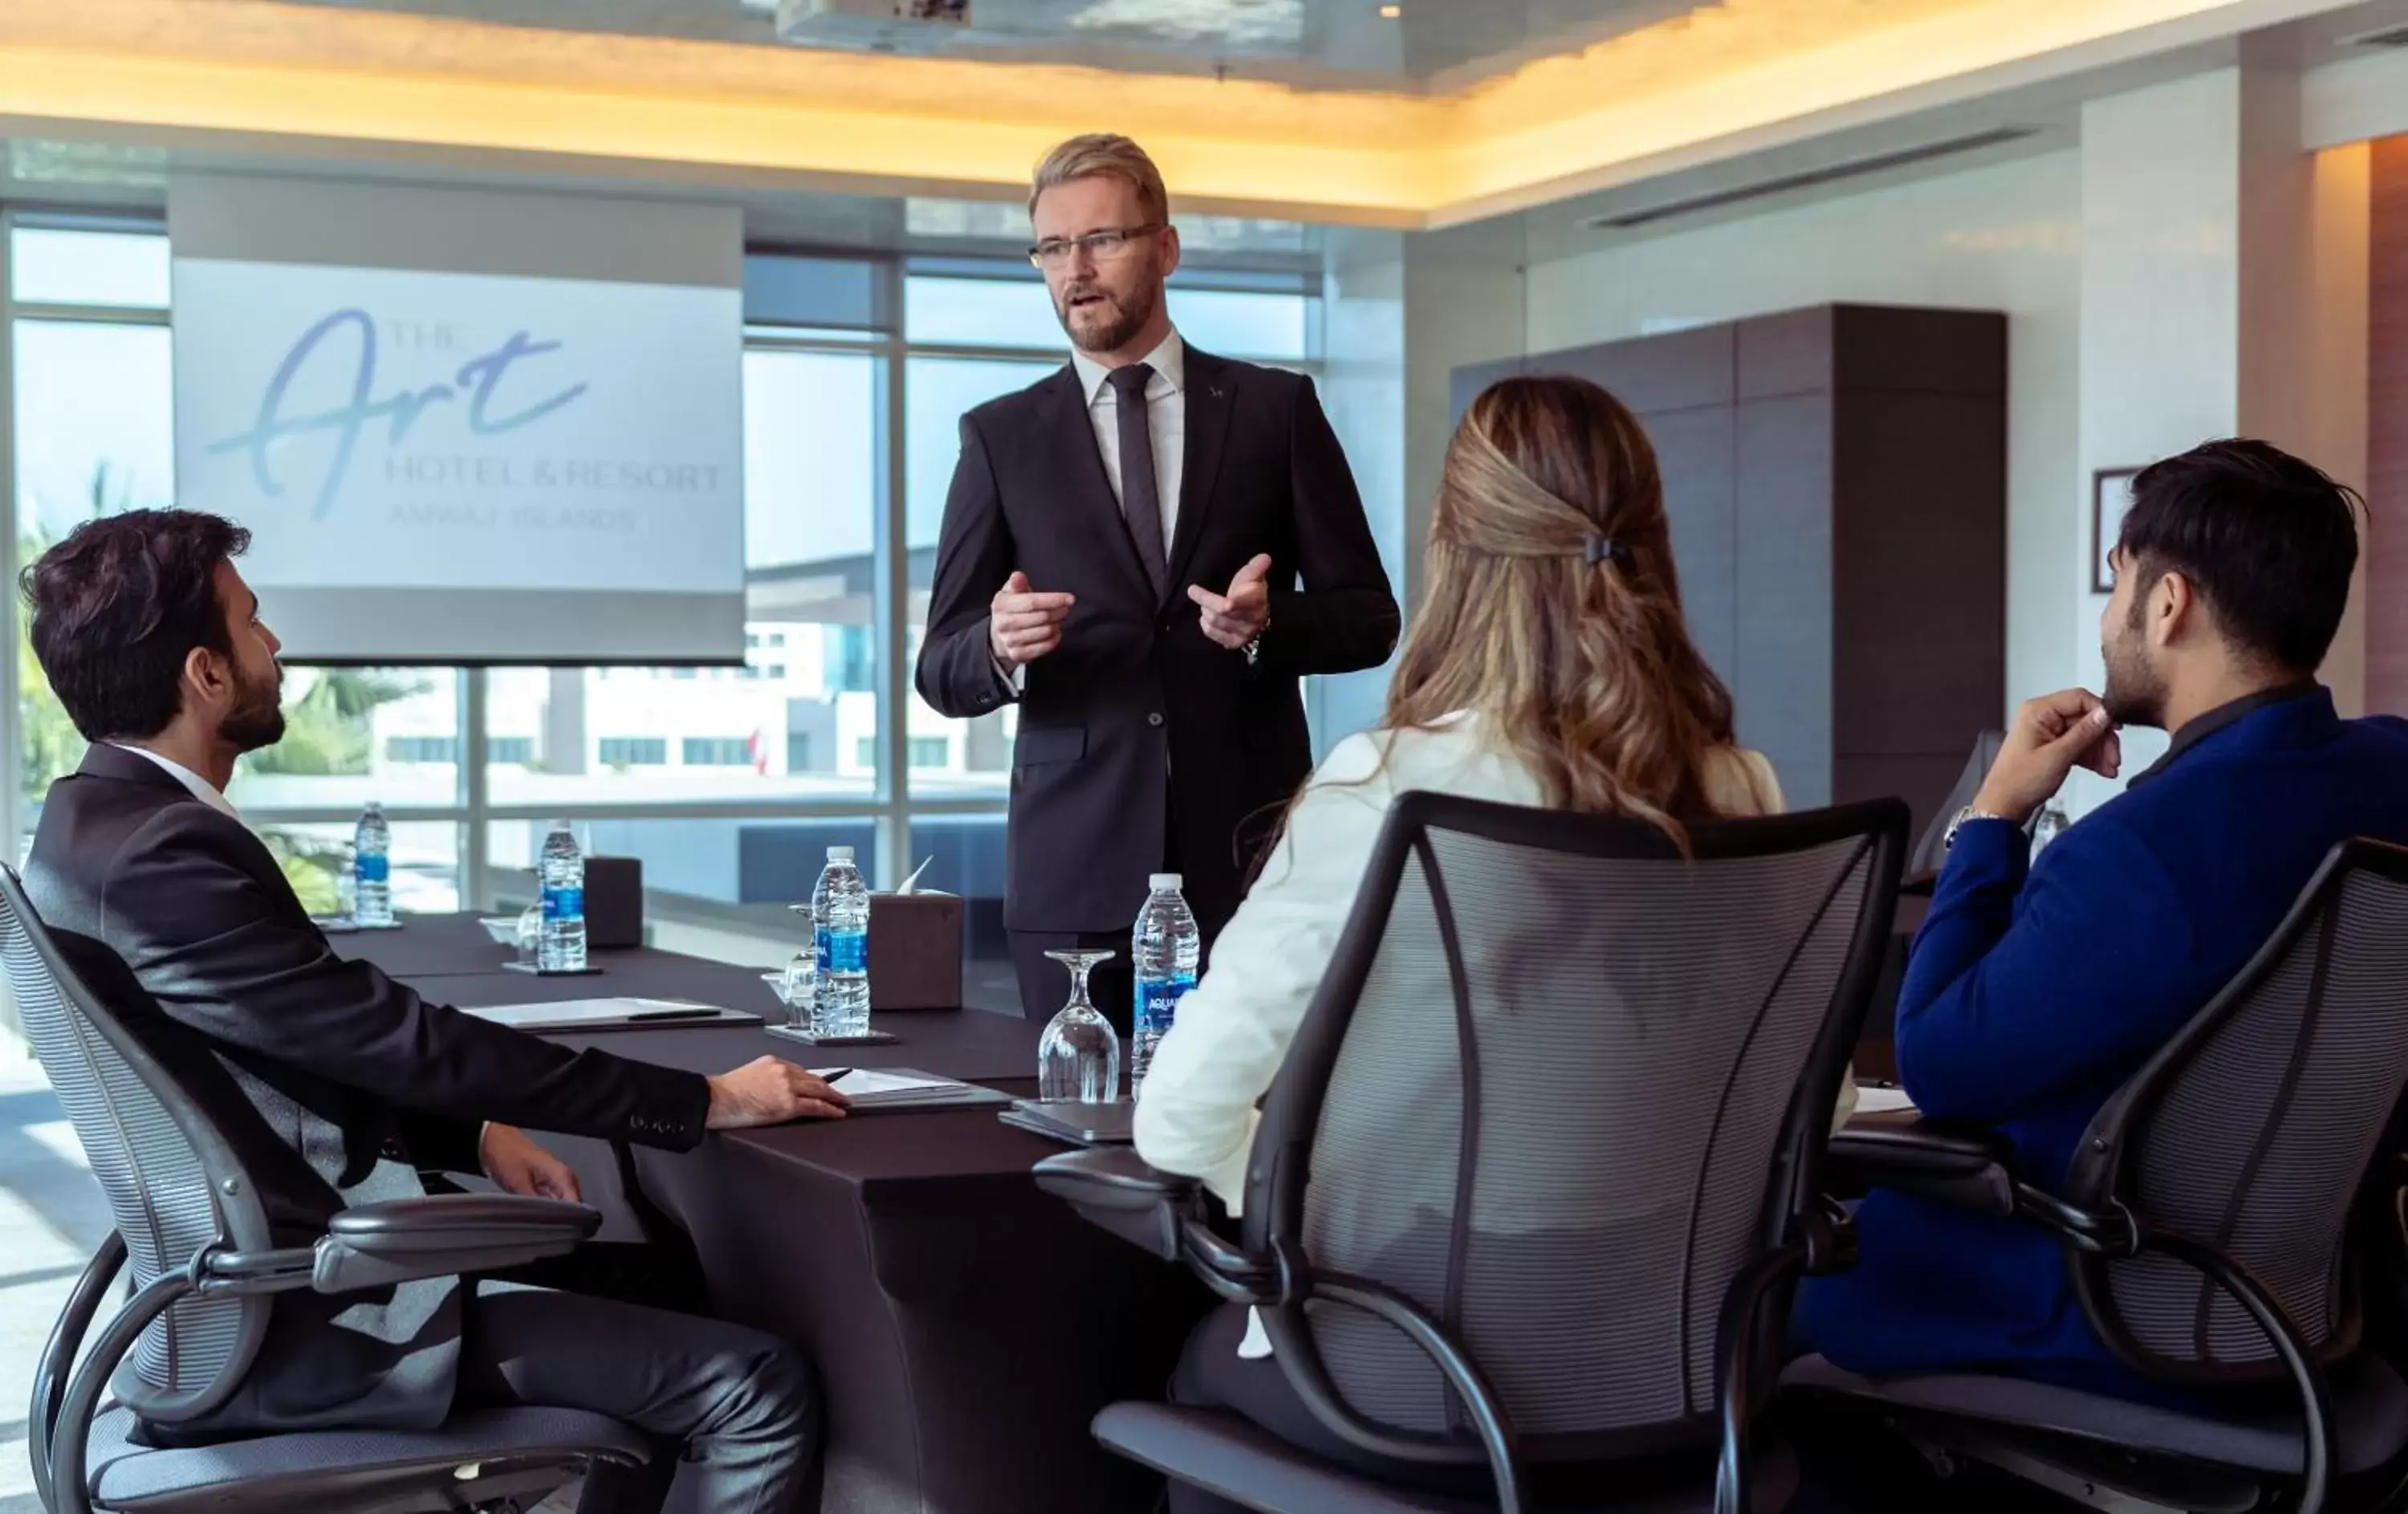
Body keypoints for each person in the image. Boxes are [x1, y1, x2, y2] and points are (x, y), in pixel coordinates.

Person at [19, 509, 854, 1514]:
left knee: (669, 1277)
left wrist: (481, 1130)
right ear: (204, 673)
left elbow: (296, 1055)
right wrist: (704, 1098)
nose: (275, 645)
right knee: (757, 1387)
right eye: (252, 623)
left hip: (236, 1302)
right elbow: (399, 1040)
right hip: (313, 1322)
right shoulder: (163, 853)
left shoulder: (87, 821)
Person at [1131, 374, 1796, 1505]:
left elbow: (1179, 1116)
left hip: (1415, 1356)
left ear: (1453, 549)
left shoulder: (1388, 784)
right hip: (1666, 1356)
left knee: (1186, 1378)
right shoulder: (1739, 787)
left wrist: (1342, 1192)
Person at [1795, 438, 2408, 1402]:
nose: (2110, 619)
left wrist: (1991, 816)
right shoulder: (2390, 772)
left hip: (2095, 1300)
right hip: (2302, 1301)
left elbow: (1939, 1063)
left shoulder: (2142, 848)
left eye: (2117, 584)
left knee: (1754, 1295)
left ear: (2169, 605)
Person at [914, 132, 1398, 1032]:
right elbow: (940, 666)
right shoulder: (1001, 438)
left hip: (1248, 860)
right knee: (1074, 1138)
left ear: (1166, 248)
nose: (1076, 269)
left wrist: (1266, 626)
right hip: (1074, 877)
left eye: (1102, 240)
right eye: (1053, 248)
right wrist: (996, 644)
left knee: (1246, 1138)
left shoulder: (1272, 411)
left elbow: (1370, 617)